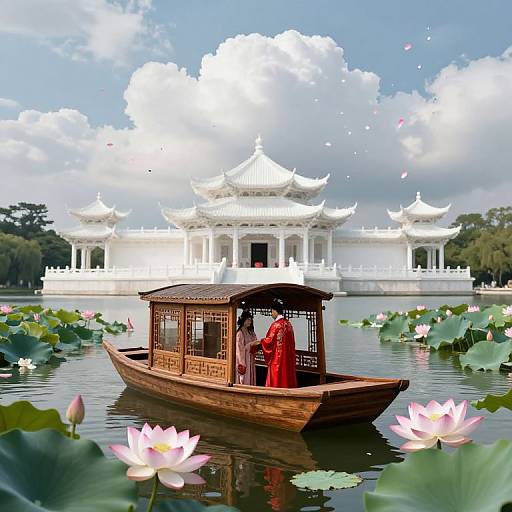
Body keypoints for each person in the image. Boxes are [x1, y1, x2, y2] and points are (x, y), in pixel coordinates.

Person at [254, 298, 297, 388]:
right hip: (288, 358)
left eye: (272, 311)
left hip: (277, 359)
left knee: (277, 377)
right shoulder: (288, 324)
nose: (271, 313)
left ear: (274, 311)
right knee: (287, 376)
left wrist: (260, 342)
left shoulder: (276, 325)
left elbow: (269, 341)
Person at [235, 310, 258, 385]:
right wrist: (242, 363)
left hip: (250, 357)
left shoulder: (251, 332)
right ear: (243, 320)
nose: (250, 322)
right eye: (248, 320)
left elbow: (255, 341)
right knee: (245, 376)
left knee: (251, 375)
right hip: (243, 359)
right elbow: (239, 350)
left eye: (250, 320)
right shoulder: (239, 333)